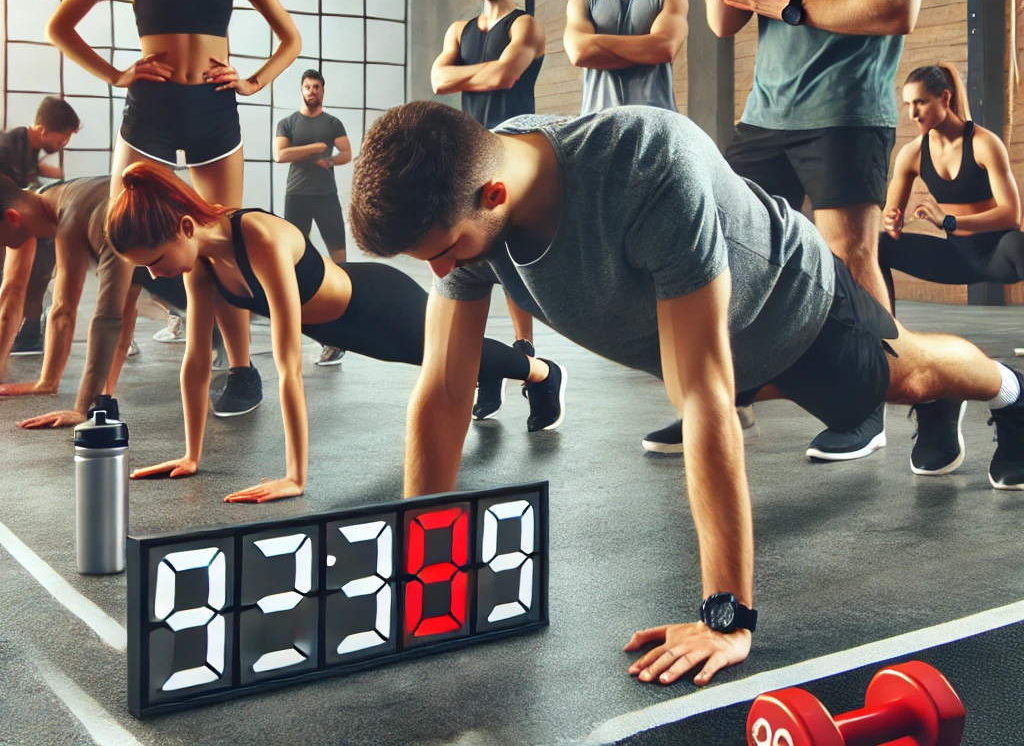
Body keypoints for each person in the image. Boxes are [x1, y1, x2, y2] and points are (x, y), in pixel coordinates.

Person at [347, 101, 1024, 686]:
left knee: (910, 376)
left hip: (795, 311)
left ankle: (1009, 392)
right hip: (711, 343)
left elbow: (706, 397)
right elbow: (441, 392)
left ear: (492, 196)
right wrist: (423, 566)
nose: (441, 271)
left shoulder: (643, 167)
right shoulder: (475, 190)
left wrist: (725, 619)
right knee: (743, 388)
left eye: (445, 250)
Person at [642, 0, 927, 462]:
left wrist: (795, 6)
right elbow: (721, 21)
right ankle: (723, 402)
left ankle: (873, 403)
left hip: (845, 112)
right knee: (724, 254)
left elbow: (897, 5)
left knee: (850, 257)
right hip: (768, 114)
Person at [105, 162, 567, 503]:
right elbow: (198, 362)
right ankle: (492, 373)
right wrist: (190, 456)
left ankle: (541, 373)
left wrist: (295, 477)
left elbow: (288, 366)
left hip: (377, 307)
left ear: (185, 227)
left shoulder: (259, 239)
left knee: (443, 357)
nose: (155, 274)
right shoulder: (199, 264)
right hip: (341, 328)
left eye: (155, 260)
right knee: (447, 359)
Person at [45, 0, 303, 415]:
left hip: (215, 116)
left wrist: (255, 81)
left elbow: (291, 39)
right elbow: (60, 25)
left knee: (223, 244)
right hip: (150, 117)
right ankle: (100, 394)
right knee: (127, 247)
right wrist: (115, 73)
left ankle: (241, 372)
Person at [878, 64, 1024, 475]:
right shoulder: (911, 154)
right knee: (879, 246)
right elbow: (893, 211)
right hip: (955, 256)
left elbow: (1012, 214)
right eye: (908, 104)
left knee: (1021, 243)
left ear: (944, 98)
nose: (913, 113)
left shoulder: (983, 144)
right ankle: (888, 342)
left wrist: (949, 222)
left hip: (997, 252)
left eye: (921, 102)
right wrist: (893, 220)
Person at [430, 0, 547, 415]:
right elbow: (438, 80)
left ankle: (524, 353)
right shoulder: (458, 28)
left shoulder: (525, 25)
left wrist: (466, 74)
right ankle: (487, 368)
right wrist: (484, 72)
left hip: (512, 152)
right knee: (464, 262)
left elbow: (505, 76)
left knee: (509, 259)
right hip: (468, 155)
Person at [0, 175, 204, 428]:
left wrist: (82, 407)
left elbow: (97, 315)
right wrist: (47, 383)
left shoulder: (71, 216)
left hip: (183, 250)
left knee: (215, 312)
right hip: (167, 246)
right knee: (131, 297)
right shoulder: (51, 200)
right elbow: (14, 293)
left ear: (11, 218)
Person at [275, 68, 352, 367]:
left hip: (325, 197)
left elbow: (346, 152)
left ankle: (343, 317)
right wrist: (315, 149)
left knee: (339, 258)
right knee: (293, 259)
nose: (311, 91)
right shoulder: (288, 123)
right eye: (307, 87)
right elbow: (280, 155)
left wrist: (330, 159)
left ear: (322, 90)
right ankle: (300, 315)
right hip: (297, 196)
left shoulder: (332, 122)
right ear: (301, 90)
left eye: (316, 87)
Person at [0, 97, 82, 356]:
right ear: (42, 129)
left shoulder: (28, 148)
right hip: (8, 223)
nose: (65, 143)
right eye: (63, 136)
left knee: (41, 259)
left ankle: (27, 333)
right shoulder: (6, 148)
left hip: (16, 223)